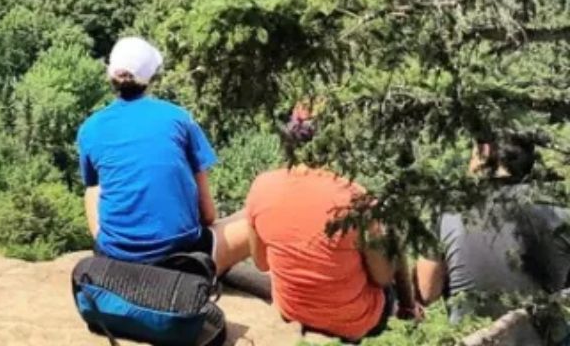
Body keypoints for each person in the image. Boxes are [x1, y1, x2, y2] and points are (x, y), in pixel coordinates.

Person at [77, 36, 249, 274]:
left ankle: (107, 250)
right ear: (152, 78)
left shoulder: (90, 128)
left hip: (115, 257)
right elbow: (208, 215)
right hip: (183, 260)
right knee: (257, 216)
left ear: (110, 75)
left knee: (93, 187)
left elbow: (93, 190)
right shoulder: (178, 118)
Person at [244, 105, 415, 343]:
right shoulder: (356, 198)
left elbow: (261, 263)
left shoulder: (262, 186)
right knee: (389, 273)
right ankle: (411, 315)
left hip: (292, 311)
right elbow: (383, 277)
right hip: (355, 322)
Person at [415, 135, 570, 323]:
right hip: (543, 336)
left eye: (472, 153)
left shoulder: (445, 210)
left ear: (485, 153)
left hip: (474, 336)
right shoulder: (561, 211)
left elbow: (427, 292)